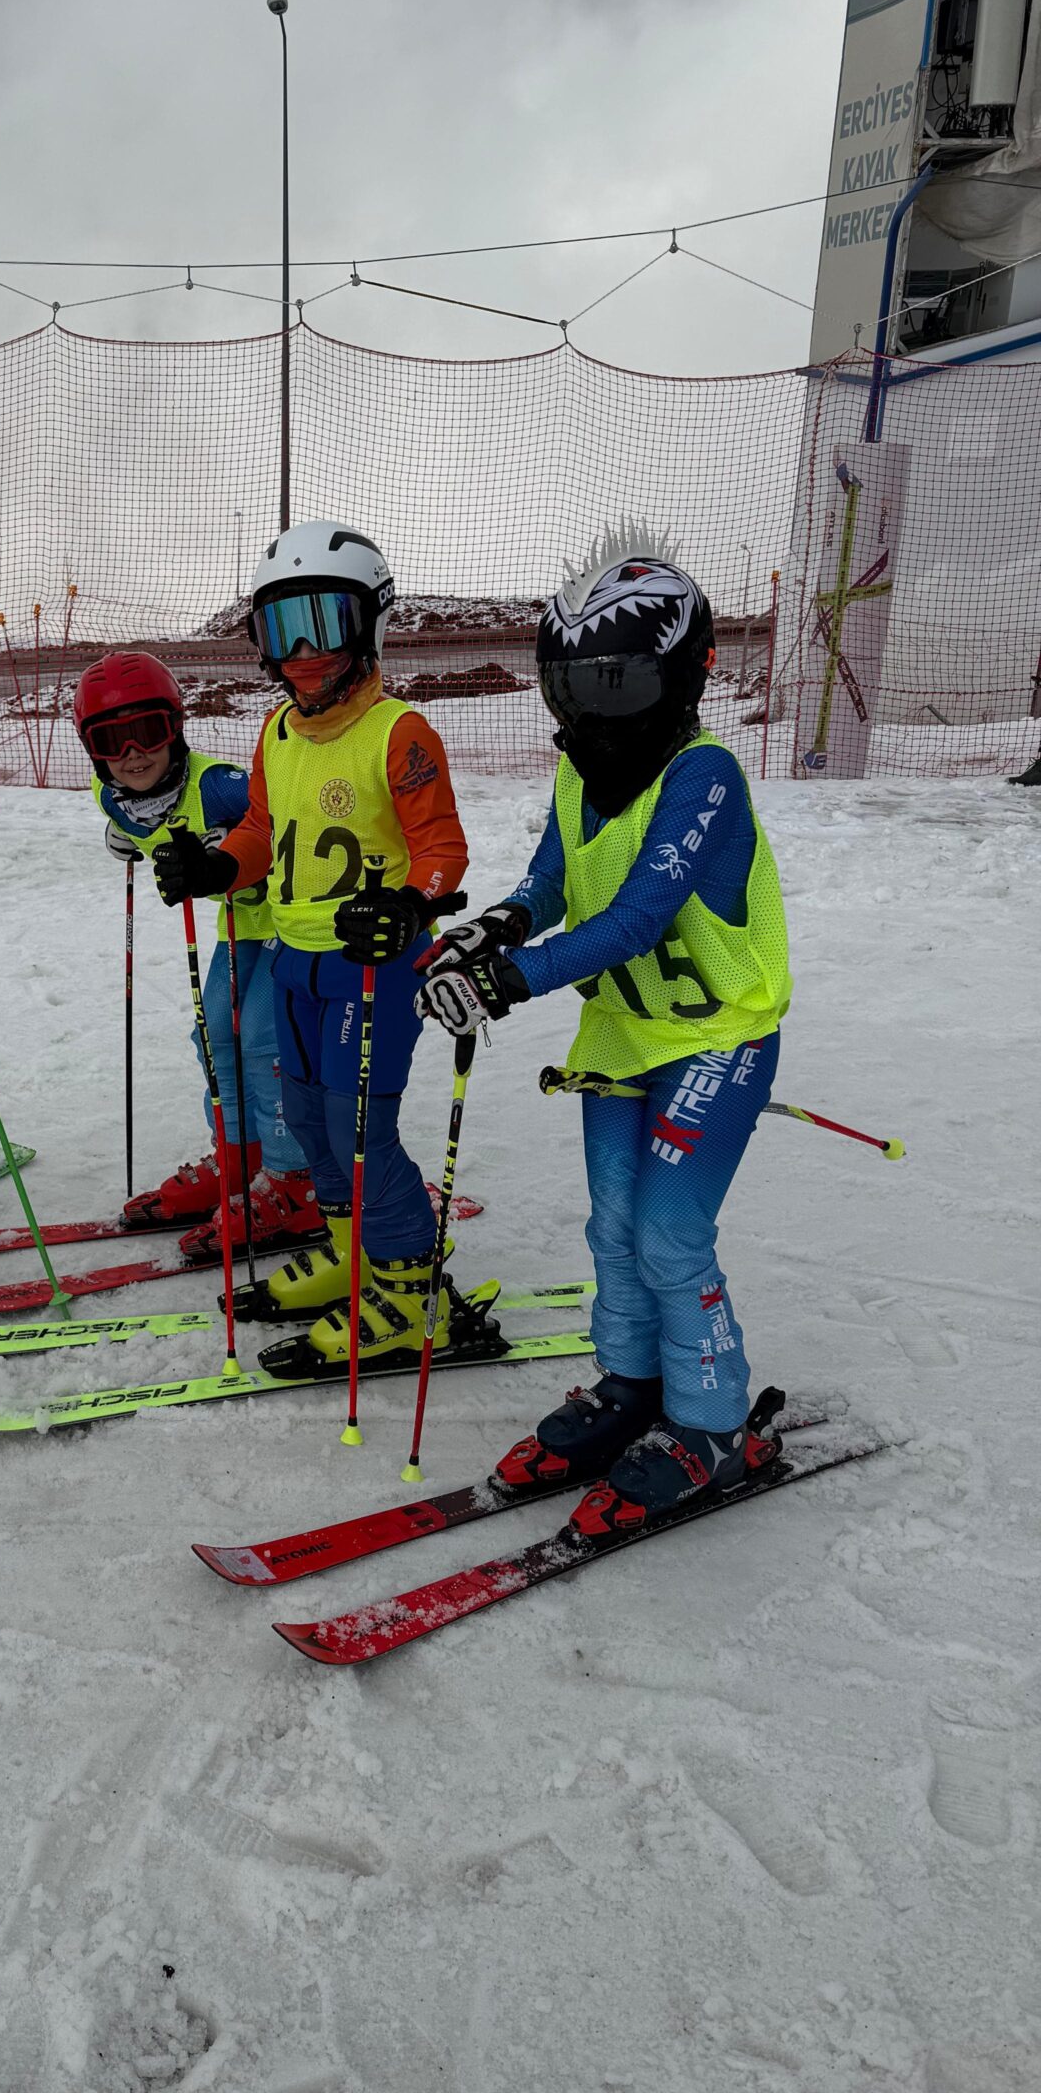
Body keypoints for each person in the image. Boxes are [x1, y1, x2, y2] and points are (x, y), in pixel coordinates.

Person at [417, 526, 792, 1521]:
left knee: (670, 1232)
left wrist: (510, 980)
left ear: (681, 678)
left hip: (718, 1038)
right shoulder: (579, 771)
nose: (589, 714)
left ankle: (712, 1422)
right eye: (571, 688)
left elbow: (635, 919)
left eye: (616, 687)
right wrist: (495, 929)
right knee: (615, 1226)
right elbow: (552, 881)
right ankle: (632, 1385)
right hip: (624, 1036)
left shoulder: (704, 775)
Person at [153, 521, 469, 1367]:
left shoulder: (399, 732)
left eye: (323, 623)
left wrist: (409, 906)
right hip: (295, 960)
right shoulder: (278, 734)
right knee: (305, 1121)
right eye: (282, 628)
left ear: (369, 625)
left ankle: (412, 1290)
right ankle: (350, 1253)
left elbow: (442, 850)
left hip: (372, 968)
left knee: (358, 1130)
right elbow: (262, 831)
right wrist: (216, 866)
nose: (302, 652)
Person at [73, 649, 317, 1253]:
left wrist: (230, 846)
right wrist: (125, 837)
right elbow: (137, 822)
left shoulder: (219, 787)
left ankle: (296, 1179)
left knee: (262, 1034)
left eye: (148, 731)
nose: (133, 753)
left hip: (293, 920)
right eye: (111, 741)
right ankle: (238, 1160)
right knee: (213, 1034)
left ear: (176, 727)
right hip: (242, 923)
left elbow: (289, 822)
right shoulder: (114, 797)